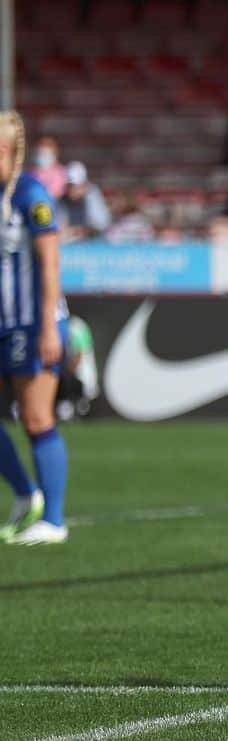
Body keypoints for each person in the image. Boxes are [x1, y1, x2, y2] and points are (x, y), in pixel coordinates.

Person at [0, 111, 70, 545]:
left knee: (36, 416)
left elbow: (50, 261)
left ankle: (55, 520)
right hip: (3, 322)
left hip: (32, 322)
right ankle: (27, 494)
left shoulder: (30, 194)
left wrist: (48, 326)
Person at [58, 161, 111, 241]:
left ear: (83, 184)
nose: (71, 189)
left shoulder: (91, 195)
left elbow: (102, 225)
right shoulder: (62, 200)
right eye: (69, 185)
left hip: (93, 246)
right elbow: (59, 228)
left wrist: (79, 231)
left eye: (74, 186)